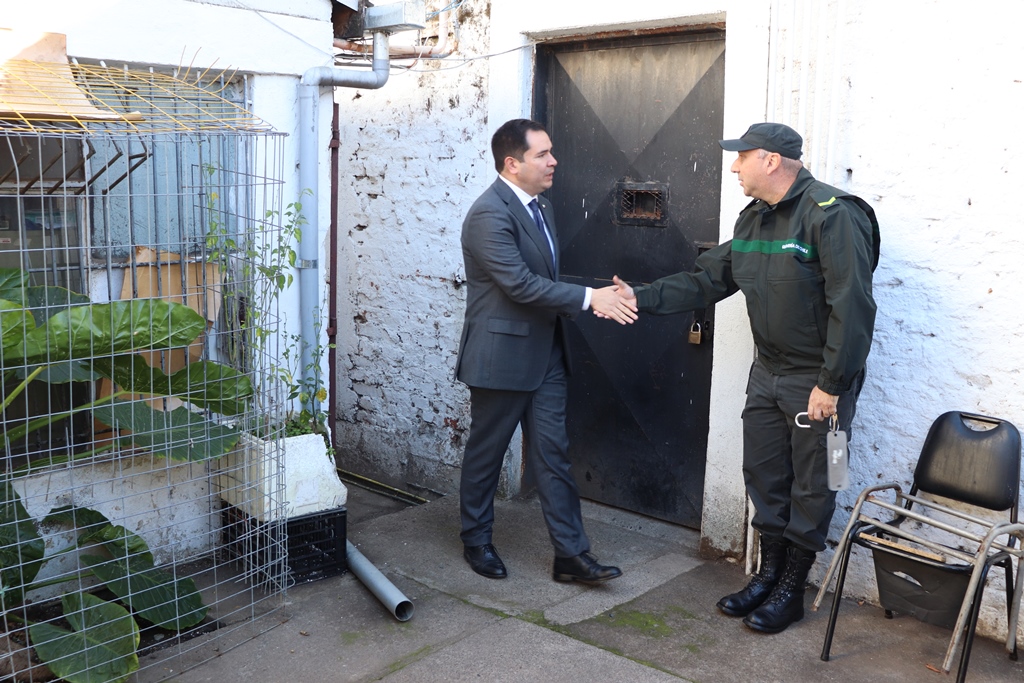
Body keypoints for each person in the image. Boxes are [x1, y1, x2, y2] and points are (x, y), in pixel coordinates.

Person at [607, 122, 879, 632]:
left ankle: (792, 589)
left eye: (742, 157)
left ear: (772, 161)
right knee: (764, 475)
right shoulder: (754, 220)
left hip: (821, 384)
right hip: (769, 375)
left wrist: (833, 384)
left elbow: (855, 306)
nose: (734, 166)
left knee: (822, 479)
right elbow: (708, 278)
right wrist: (638, 297)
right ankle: (767, 577)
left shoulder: (834, 215)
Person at [454, 118, 637, 584]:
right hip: (502, 357)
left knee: (553, 454)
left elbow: (547, 281)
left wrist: (600, 294)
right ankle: (476, 541)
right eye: (542, 154)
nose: (554, 160)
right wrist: (588, 299)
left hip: (548, 355)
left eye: (551, 151)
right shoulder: (488, 215)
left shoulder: (542, 208)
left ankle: (570, 557)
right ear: (512, 164)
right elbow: (517, 284)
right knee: (487, 454)